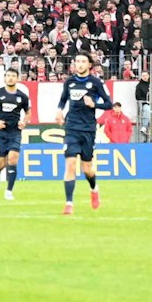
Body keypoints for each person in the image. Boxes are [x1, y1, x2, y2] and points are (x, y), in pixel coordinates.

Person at [57, 53, 112, 215]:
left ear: (89, 65)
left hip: (88, 129)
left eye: (83, 61)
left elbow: (109, 103)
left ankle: (94, 189)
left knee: (87, 168)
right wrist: (59, 111)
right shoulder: (69, 81)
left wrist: (94, 104)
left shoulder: (95, 83)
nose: (79, 64)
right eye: (77, 61)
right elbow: (63, 99)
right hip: (71, 127)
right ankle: (69, 204)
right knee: (70, 165)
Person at [0, 67, 31, 201]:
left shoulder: (22, 96)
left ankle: (9, 191)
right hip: (0, 131)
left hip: (15, 131)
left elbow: (28, 113)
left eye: (13, 76)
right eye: (8, 75)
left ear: (17, 78)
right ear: (5, 78)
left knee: (13, 158)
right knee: (0, 163)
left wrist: (24, 122)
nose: (10, 78)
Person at [134, 74, 152, 142]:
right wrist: (146, 100)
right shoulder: (139, 86)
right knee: (147, 110)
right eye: (143, 76)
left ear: (148, 76)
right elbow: (137, 96)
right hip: (145, 104)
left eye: (146, 75)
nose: (145, 77)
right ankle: (144, 126)